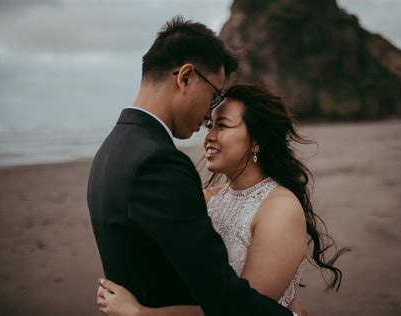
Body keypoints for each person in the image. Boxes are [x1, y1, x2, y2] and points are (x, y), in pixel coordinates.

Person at [87, 16, 303, 315]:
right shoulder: (157, 163)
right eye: (213, 96)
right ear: (185, 77)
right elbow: (221, 295)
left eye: (221, 122)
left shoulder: (112, 148)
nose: (206, 121)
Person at [95, 84, 349, 315]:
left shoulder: (279, 208)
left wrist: (140, 314)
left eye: (223, 125)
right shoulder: (205, 197)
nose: (209, 136)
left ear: (256, 141)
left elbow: (240, 310)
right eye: (210, 126)